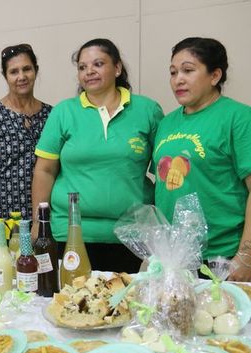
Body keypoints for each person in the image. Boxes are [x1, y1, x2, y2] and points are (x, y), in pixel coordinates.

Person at [32, 38, 164, 273]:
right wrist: (38, 224)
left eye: (98, 64)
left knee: (119, 306)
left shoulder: (147, 110)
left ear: (118, 68)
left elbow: (163, 173)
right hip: (69, 232)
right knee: (72, 303)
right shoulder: (64, 112)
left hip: (128, 235)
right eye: (82, 67)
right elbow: (44, 170)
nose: (89, 72)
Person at [153, 37, 251, 282]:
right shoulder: (167, 123)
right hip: (174, 259)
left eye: (188, 70)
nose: (178, 80)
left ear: (215, 76)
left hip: (222, 258)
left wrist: (246, 256)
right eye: (173, 72)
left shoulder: (238, 118)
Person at [0, 44, 52, 229]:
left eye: (27, 69)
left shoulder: (52, 115)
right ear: (5, 76)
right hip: (5, 218)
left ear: (36, 70)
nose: (21, 77)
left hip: (44, 216)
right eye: (13, 71)